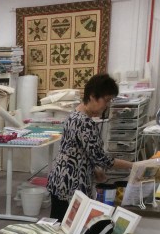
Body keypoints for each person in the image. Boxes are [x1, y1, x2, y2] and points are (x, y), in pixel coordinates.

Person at [47, 74, 133, 220]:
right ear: (93, 96)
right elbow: (102, 159)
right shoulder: (84, 123)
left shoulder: (74, 115)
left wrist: (93, 169)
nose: (107, 105)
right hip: (71, 183)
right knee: (69, 226)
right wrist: (133, 165)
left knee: (60, 223)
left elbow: (80, 151)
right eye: (106, 100)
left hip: (61, 178)